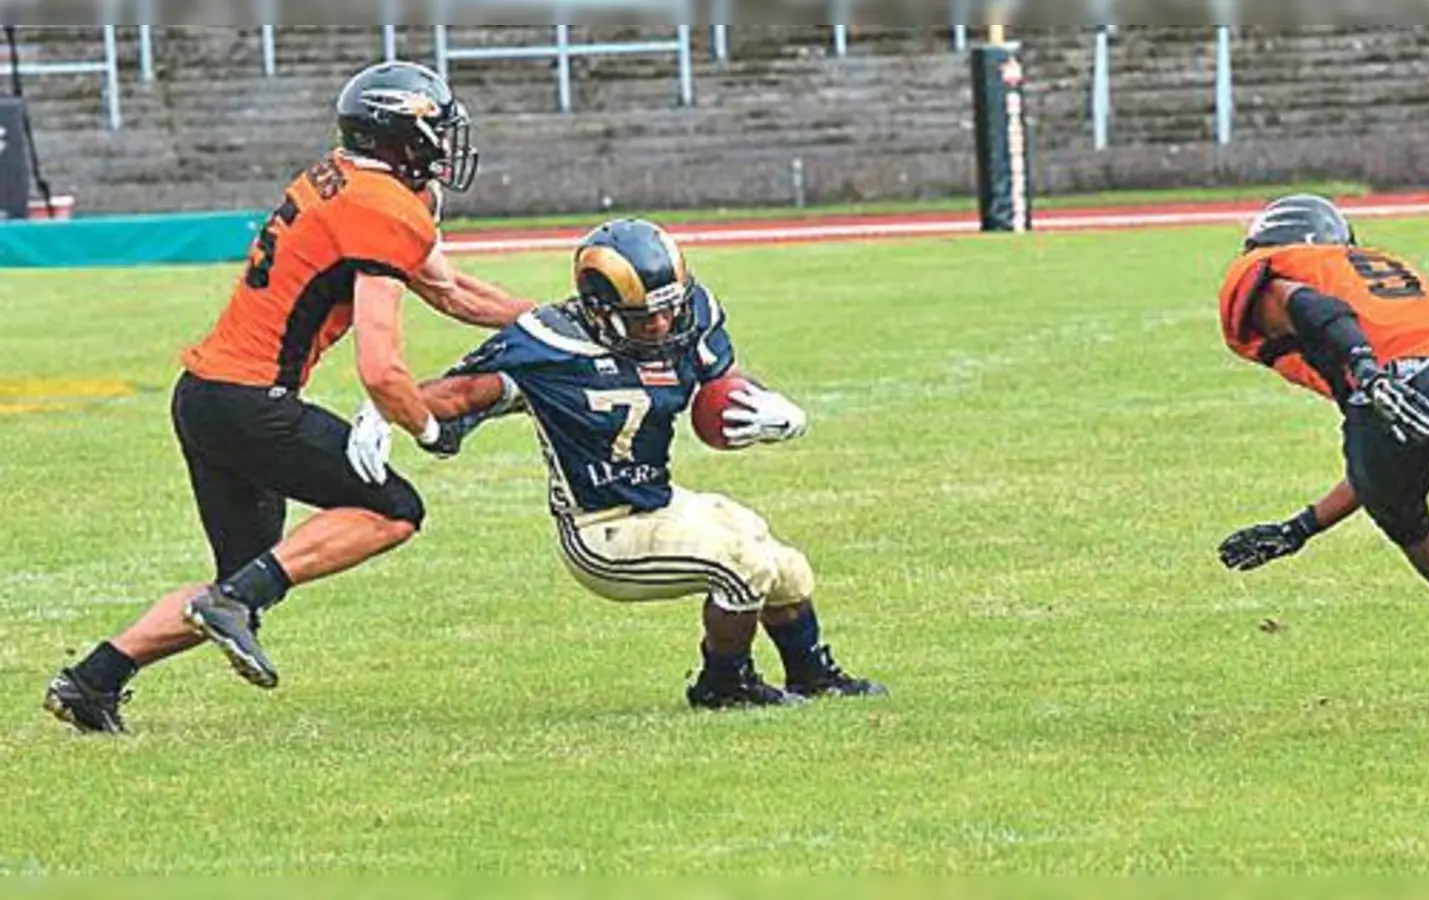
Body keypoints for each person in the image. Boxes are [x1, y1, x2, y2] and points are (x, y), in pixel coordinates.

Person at [44, 60, 536, 734]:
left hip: (207, 399)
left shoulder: (358, 183)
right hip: (251, 403)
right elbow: (382, 368)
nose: (444, 143)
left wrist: (548, 322)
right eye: (432, 128)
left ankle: (92, 682)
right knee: (395, 510)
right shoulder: (384, 206)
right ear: (397, 133)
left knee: (239, 583)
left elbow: (451, 290)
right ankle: (231, 606)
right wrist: (428, 430)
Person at [355, 217, 884, 708]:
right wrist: (386, 407)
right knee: (744, 566)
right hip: (600, 530)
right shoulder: (552, 343)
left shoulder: (687, 311)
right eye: (642, 315)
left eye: (666, 309)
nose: (659, 324)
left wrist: (776, 410)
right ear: (598, 308)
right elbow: (461, 393)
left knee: (785, 566)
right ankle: (725, 683)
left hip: (659, 501)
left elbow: (725, 387)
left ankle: (811, 674)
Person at [1214, 193, 1429, 751]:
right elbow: (1373, 472)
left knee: (1409, 525)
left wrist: (1366, 372)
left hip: (1380, 383)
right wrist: (1300, 527)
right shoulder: (1382, 274)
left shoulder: (1287, 273)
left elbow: (1315, 309)